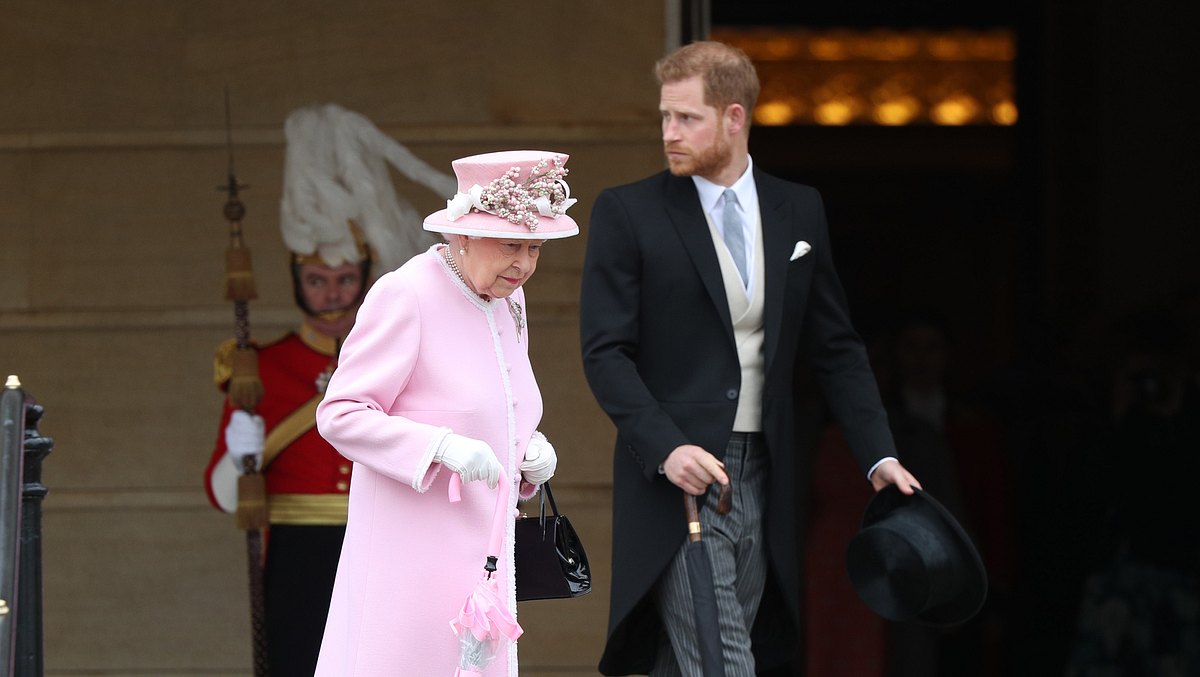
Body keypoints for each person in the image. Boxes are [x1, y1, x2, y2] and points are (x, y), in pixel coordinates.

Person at [579, 41, 921, 676]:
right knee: (723, 659)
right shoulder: (628, 212)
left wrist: (878, 454)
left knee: (689, 662)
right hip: (676, 476)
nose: (669, 134)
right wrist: (665, 447)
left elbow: (837, 349)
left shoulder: (799, 208)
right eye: (664, 117)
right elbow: (605, 354)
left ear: (734, 118)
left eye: (687, 118)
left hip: (766, 468)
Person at [203, 102, 455, 676]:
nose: (332, 294)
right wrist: (250, 448)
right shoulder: (259, 368)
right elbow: (222, 494)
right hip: (298, 554)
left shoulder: (400, 356)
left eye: (345, 280)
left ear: (365, 278)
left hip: (387, 538)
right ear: (297, 281)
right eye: (317, 280)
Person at [312, 150, 579, 676]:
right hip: (409, 557)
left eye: (534, 248)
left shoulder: (510, 300)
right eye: (509, 245)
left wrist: (526, 447)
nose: (523, 264)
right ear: (462, 235)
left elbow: (497, 403)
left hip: (484, 557)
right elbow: (340, 413)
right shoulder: (405, 294)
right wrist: (440, 447)